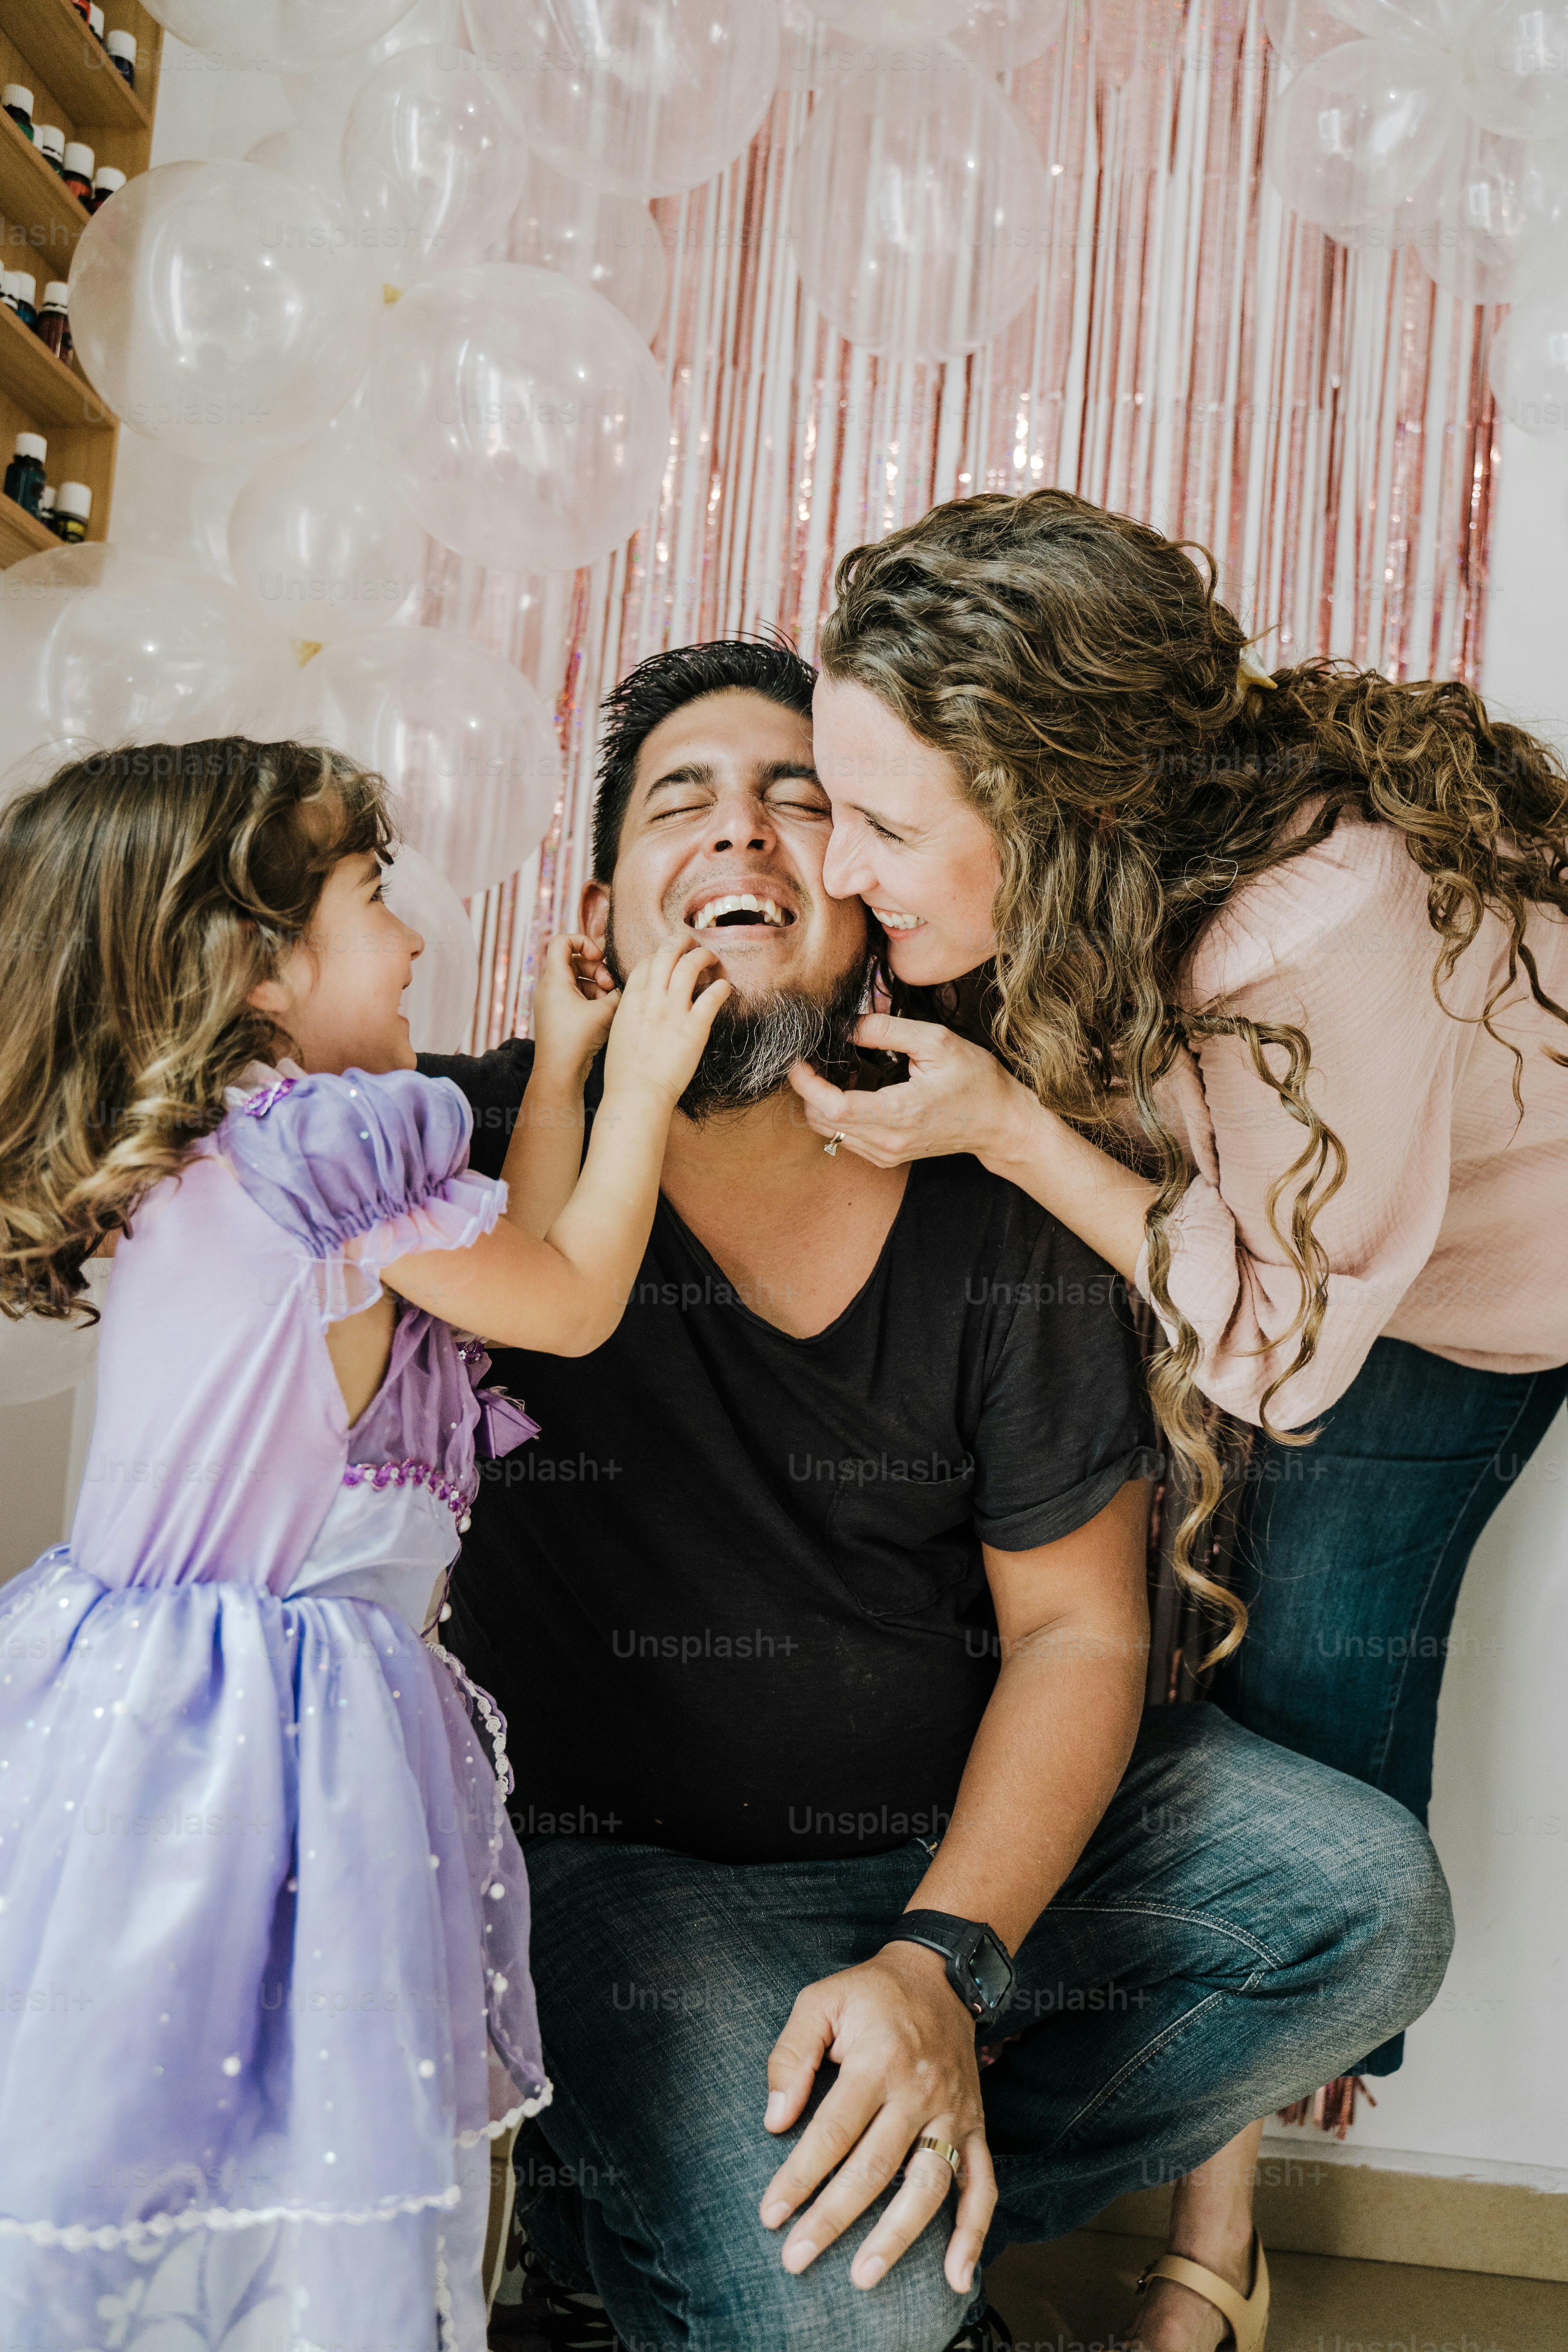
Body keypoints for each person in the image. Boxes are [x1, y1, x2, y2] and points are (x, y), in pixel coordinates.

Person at [421, 639, 1455, 2352]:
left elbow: (1073, 1635)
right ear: (600, 921)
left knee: (1366, 1904)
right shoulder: (456, 1156)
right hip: (632, 1883)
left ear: (873, 910)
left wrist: (938, 1964)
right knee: (850, 2315)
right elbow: (188, 1149)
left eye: (799, 804)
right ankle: (727, 2229)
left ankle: (870, 2185)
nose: (742, 833)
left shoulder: (988, 1187)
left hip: (952, 1848)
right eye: (684, 804)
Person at [784, 489, 1568, 2352]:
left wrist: (1006, 1129)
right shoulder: (1109, 864)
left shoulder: (1309, 932)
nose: (841, 866)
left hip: (1464, 1287)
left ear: (1054, 806)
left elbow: (1284, 1355)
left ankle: (1219, 2231)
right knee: (1127, 1638)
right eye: (833, 804)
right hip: (1275, 1233)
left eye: (884, 825)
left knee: (1303, 1705)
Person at [0, 738, 730, 2350]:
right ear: (254, 967)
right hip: (269, 1728)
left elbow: (510, 1264)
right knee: (308, 2122)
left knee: (159, 2107)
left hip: (149, 1711)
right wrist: (644, 1093)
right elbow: (571, 1301)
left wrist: (560, 1071)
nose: (411, 938)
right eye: (374, 897)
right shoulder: (321, 1145)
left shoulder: (239, 1152)